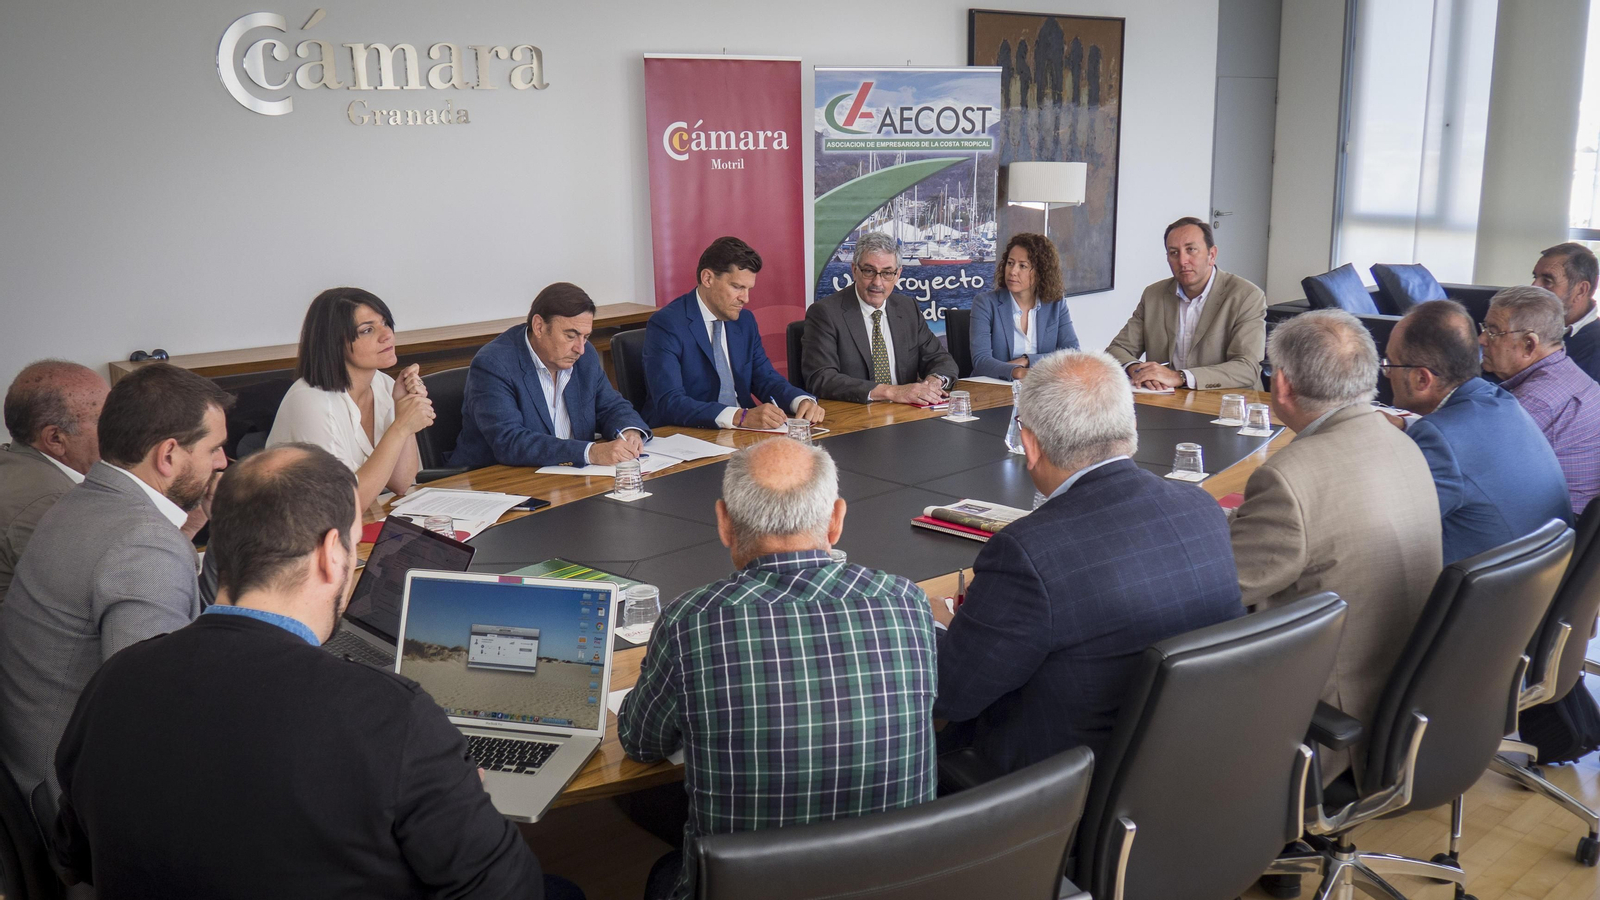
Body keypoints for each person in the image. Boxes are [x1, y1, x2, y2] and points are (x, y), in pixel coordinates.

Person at [51, 444, 582, 900]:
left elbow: (75, 856)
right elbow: (509, 890)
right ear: (332, 554)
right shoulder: (392, 717)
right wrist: (463, 795)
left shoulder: (113, 681)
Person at [618, 437, 937, 900]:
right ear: (836, 520)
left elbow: (640, 741)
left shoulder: (693, 622)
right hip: (896, 885)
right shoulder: (905, 601)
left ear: (724, 523)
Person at [931, 350, 1243, 774]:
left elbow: (952, 694)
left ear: (1030, 444)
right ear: (1129, 426)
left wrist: (928, 625)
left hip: (1055, 791)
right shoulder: (1201, 509)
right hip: (1189, 772)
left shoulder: (1028, 553)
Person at [1230, 310, 1441, 784]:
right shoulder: (1404, 441)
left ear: (1281, 384)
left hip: (1330, 724)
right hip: (1406, 697)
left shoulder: (1289, 476)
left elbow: (1223, 586)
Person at [0, 363, 231, 798]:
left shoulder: (83, 501)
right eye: (214, 448)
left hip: (31, 769)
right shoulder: (144, 545)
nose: (223, 461)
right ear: (168, 455)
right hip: (71, 803)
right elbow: (155, 718)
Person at [1384, 300, 1571, 563]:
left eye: (1390, 363)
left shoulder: (1439, 439)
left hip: (1482, 596)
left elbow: (1388, 524)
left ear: (1422, 379)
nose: (1386, 373)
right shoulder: (1501, 400)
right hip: (1539, 584)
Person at [266, 287, 435, 511]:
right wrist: (402, 426)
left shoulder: (383, 384)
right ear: (334, 343)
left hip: (346, 528)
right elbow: (346, 506)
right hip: (292, 535)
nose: (386, 335)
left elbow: (401, 483)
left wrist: (403, 407)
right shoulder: (310, 402)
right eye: (367, 330)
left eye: (385, 323)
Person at [452, 283, 650, 469]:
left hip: (568, 480)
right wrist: (591, 453)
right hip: (496, 484)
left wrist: (629, 431)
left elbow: (611, 406)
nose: (580, 348)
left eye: (586, 337)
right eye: (570, 336)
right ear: (539, 326)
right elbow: (509, 441)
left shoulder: (585, 356)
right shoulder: (494, 364)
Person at [642, 236, 825, 429]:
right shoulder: (667, 324)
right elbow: (669, 402)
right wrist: (739, 416)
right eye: (737, 287)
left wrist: (801, 401)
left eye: (749, 289)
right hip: (688, 434)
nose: (745, 298)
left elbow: (765, 379)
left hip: (743, 435)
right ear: (708, 278)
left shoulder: (744, 321)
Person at [1105, 216, 1267, 391]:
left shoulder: (1246, 296)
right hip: (1167, 402)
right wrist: (1137, 370)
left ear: (1211, 255)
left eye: (1191, 250)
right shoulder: (1154, 295)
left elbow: (1247, 368)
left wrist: (1179, 377)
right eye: (1174, 253)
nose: (1182, 261)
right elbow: (1117, 349)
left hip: (1227, 406)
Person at [1480, 286, 1600, 515]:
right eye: (1485, 327)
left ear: (1529, 344)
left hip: (1549, 534)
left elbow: (1469, 467)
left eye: (1493, 331)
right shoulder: (1565, 372)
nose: (1482, 339)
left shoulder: (1536, 403)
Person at [801, 232, 958, 404]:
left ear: (898, 275)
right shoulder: (825, 313)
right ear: (854, 270)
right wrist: (891, 392)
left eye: (887, 273)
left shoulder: (907, 309)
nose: (877, 282)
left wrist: (933, 383)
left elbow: (941, 359)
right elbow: (821, 378)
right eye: (869, 271)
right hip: (855, 415)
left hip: (906, 414)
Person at [0, 361, 109, 600]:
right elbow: (108, 599)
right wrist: (186, 528)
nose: (118, 428)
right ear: (56, 438)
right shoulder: (52, 504)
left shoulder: (12, 460)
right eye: (104, 420)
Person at [968, 232, 1080, 381]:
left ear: (1041, 271)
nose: (1013, 271)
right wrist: (1018, 372)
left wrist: (1028, 360)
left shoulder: (1056, 304)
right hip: (994, 388)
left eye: (1023, 266)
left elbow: (1072, 353)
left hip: (1042, 388)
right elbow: (981, 361)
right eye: (1010, 263)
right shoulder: (985, 303)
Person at [1533, 242, 1600, 382]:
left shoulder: (1595, 350)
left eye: (1547, 281)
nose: (1534, 286)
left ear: (1581, 290)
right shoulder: (1535, 326)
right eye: (1535, 277)